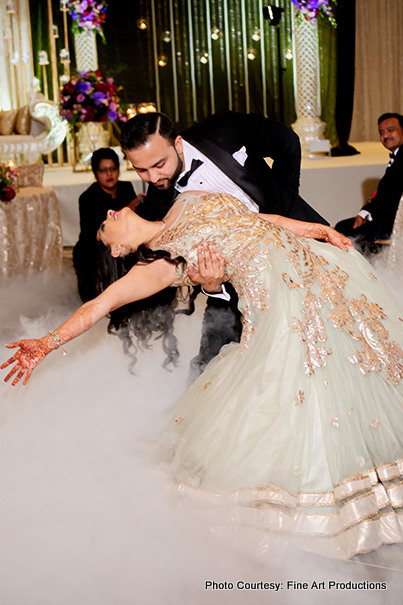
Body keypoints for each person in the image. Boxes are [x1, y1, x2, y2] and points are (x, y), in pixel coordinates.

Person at [2, 191, 403, 559]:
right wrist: (47, 342)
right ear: (120, 248)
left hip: (318, 270)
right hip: (282, 306)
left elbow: (258, 219)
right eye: (105, 227)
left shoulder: (186, 201)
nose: (109, 213)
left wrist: (316, 229)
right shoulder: (160, 268)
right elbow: (100, 304)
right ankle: (320, 509)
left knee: (366, 364)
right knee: (306, 389)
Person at [120, 111, 329, 378]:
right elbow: (175, 271)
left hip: (298, 245)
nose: (152, 177)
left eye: (159, 164)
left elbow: (287, 142)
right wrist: (212, 286)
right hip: (234, 288)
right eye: (140, 169)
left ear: (179, 144)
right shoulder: (158, 207)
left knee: (330, 339)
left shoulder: (222, 129)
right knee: (209, 370)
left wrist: (285, 200)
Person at [73, 148, 141, 302]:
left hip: (123, 247)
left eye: (113, 169)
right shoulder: (87, 198)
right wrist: (128, 208)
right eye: (103, 170)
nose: (109, 174)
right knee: (97, 300)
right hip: (92, 252)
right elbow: (94, 233)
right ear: (96, 173)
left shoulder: (126, 187)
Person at [335, 113, 403, 248]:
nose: (385, 136)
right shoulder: (397, 157)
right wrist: (365, 212)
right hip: (385, 219)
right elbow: (384, 193)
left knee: (341, 231)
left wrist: (370, 216)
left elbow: (393, 199)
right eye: (381, 132)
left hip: (392, 225)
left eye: (390, 130)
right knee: (342, 228)